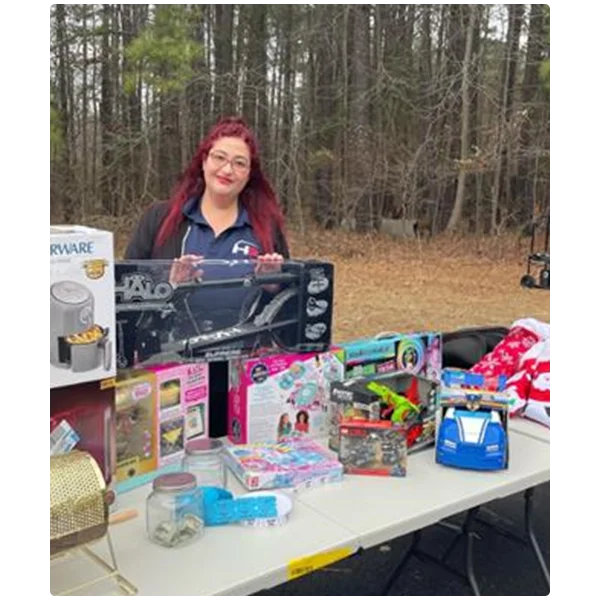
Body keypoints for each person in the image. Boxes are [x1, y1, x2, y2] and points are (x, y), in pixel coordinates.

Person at [125, 116, 291, 436]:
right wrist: (168, 285)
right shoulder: (160, 218)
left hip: (242, 375)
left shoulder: (265, 227)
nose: (227, 170)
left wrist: (273, 283)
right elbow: (125, 294)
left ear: (248, 175)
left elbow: (288, 304)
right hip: (173, 373)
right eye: (220, 158)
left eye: (239, 163)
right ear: (203, 161)